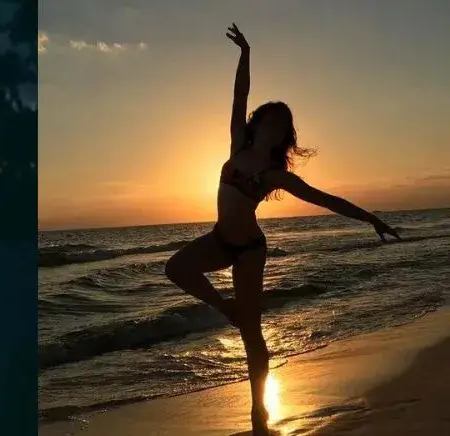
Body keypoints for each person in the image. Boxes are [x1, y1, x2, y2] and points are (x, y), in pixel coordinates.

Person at [164, 24, 401, 436]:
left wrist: (371, 219)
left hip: (250, 250)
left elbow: (327, 200)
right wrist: (246, 53)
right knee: (176, 269)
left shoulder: (276, 175)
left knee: (253, 337)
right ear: (259, 123)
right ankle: (227, 309)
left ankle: (259, 415)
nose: (275, 124)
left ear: (283, 134)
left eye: (283, 122)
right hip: (220, 240)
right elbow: (239, 96)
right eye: (270, 117)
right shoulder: (237, 144)